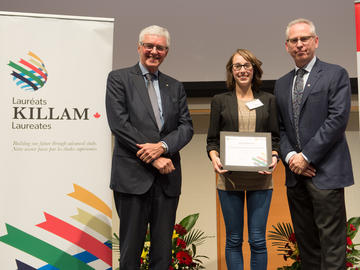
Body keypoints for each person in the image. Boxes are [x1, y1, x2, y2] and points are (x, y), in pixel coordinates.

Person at [105, 25, 193, 270]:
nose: (154, 51)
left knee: (163, 252)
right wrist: (153, 157)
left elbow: (186, 127)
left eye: (160, 48)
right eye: (149, 46)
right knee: (131, 251)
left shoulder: (174, 86)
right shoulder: (119, 78)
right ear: (139, 47)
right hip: (132, 178)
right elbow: (119, 124)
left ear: (166, 51)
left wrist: (163, 147)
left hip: (167, 180)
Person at [274, 18, 354, 269]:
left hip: (325, 173)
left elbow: (337, 120)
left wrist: (305, 156)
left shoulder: (336, 74)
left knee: (332, 246)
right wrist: (290, 159)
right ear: (286, 46)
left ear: (315, 41)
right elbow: (281, 129)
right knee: (307, 246)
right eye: (294, 40)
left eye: (304, 39)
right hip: (295, 176)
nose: (299, 44)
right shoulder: (282, 83)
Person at [206, 48, 280, 270]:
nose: (242, 70)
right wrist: (214, 158)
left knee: (257, 240)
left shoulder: (268, 100)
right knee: (234, 240)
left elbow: (275, 138)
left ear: (254, 69)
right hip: (229, 179)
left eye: (247, 65)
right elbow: (212, 140)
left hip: (261, 178)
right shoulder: (220, 100)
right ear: (231, 71)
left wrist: (274, 156)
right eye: (237, 66)